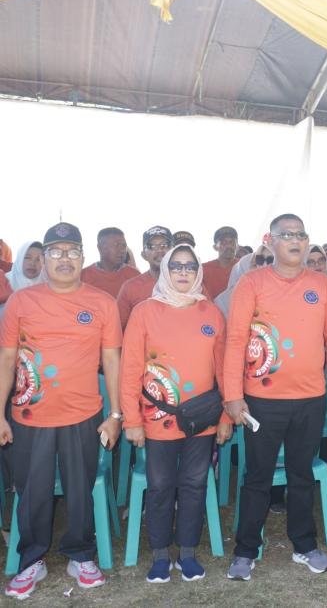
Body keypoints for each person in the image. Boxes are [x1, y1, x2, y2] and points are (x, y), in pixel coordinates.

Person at [223, 214, 327, 580]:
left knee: (301, 475)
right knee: (258, 477)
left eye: (301, 234)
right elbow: (235, 340)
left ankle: (305, 545)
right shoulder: (251, 283)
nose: (296, 240)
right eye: (287, 235)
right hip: (262, 401)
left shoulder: (322, 285)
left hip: (311, 399)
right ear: (270, 240)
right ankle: (246, 550)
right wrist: (232, 395)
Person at [0, 222, 123, 598]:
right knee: (32, 490)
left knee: (80, 489)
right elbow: (6, 359)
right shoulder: (21, 301)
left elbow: (112, 360)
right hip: (30, 416)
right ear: (44, 258)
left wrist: (115, 415)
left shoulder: (102, 303)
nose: (64, 258)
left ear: (83, 257)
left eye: (72, 251)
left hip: (83, 415)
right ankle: (31, 560)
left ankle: (80, 554)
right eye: (55, 251)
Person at [120, 244, 234, 583]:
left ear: (198, 272)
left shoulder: (211, 313)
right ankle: (159, 554)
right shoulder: (144, 312)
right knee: (160, 487)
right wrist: (131, 420)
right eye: (176, 266)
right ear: (166, 270)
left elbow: (224, 370)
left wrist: (226, 417)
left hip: (202, 420)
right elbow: (130, 370)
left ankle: (187, 553)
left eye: (190, 266)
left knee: (194, 485)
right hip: (158, 420)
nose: (183, 272)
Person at [116, 226, 173, 329]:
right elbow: (118, 328)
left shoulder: (188, 284)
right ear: (143, 255)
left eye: (164, 245)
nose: (159, 250)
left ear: (174, 250)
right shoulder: (130, 288)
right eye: (152, 246)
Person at [81, 227, 141, 298]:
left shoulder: (134, 275)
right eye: (116, 245)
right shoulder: (83, 277)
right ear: (100, 248)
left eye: (124, 245)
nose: (122, 250)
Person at [213, 245, 271, 318]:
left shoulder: (278, 296)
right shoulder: (222, 303)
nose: (264, 266)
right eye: (259, 261)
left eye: (270, 261)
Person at [201, 226, 239, 300]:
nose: (229, 246)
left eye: (232, 242)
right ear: (215, 247)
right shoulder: (204, 270)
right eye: (224, 243)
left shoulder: (244, 266)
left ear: (237, 246)